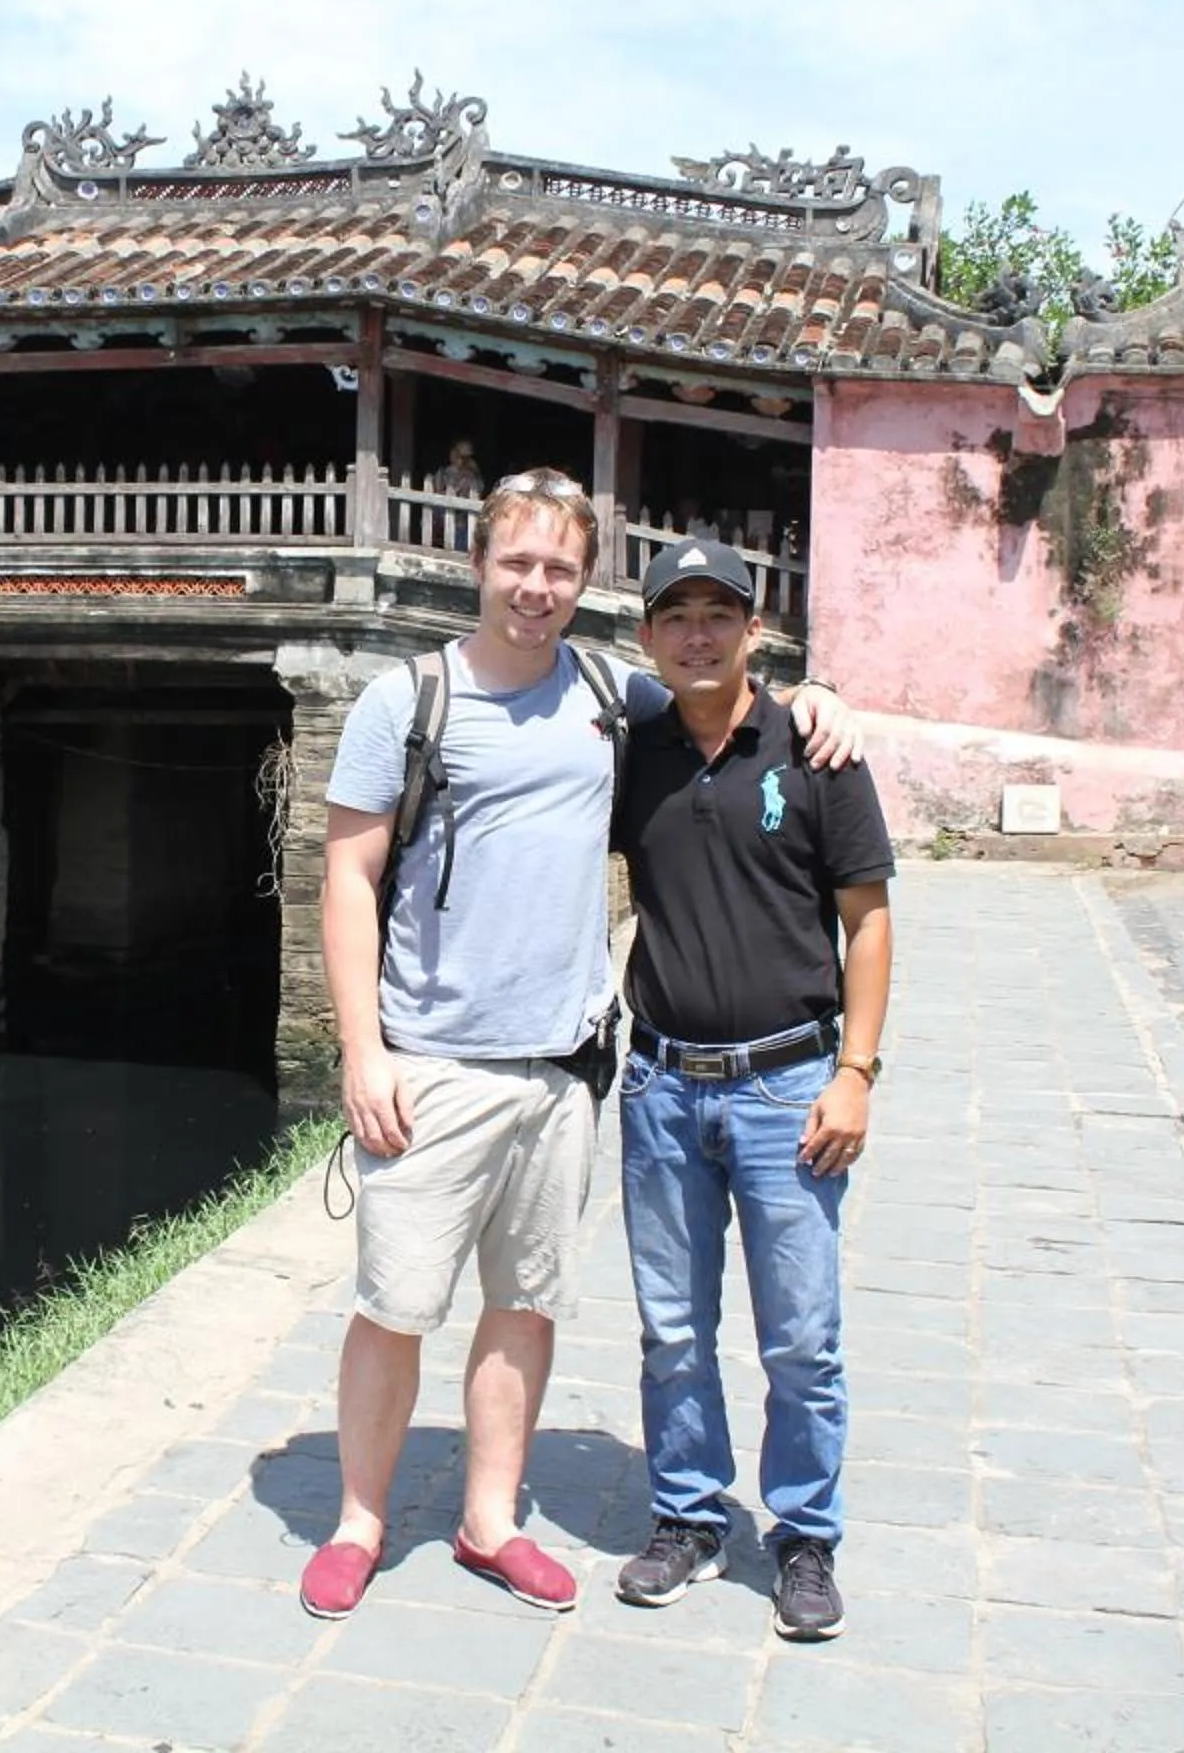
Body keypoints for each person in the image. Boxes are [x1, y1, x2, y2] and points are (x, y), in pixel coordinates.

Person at [300, 470, 858, 1621]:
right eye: (518, 562)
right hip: (434, 1063)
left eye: (560, 568)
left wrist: (823, 697)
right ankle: (358, 1518)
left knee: (526, 1302)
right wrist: (361, 1049)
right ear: (479, 564)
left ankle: (490, 1518)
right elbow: (348, 876)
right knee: (396, 1302)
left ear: (587, 581)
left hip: (562, 1070)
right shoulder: (407, 702)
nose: (537, 587)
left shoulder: (613, 695)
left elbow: (728, 702)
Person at [608, 536, 894, 1644]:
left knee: (801, 1336)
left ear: (754, 629)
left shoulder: (815, 750)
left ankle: (805, 1534)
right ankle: (686, 1513)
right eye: (675, 615)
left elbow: (866, 921)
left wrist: (856, 1073)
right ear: (646, 638)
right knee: (672, 1326)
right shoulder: (633, 749)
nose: (697, 633)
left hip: (789, 1086)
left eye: (717, 614)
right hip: (664, 1087)